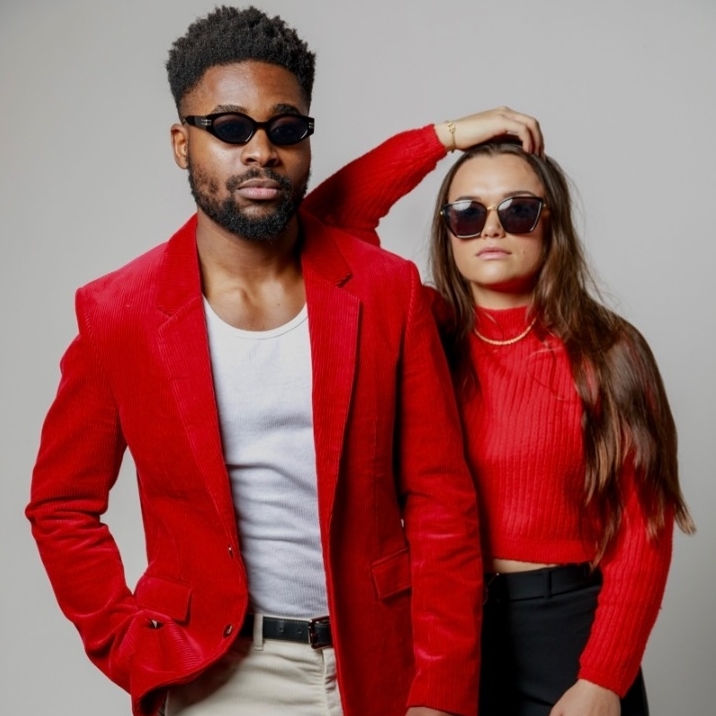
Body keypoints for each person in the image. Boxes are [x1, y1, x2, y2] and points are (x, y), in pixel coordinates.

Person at [24, 7, 551, 716]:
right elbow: (61, 506)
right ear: (182, 144)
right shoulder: (119, 312)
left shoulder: (384, 291)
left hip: (380, 664)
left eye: (286, 129)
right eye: (230, 128)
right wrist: (130, 647)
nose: (261, 152)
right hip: (218, 675)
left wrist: (442, 692)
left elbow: (440, 503)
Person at [307, 114, 695, 716]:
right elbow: (325, 226)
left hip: (567, 637)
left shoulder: (607, 350)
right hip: (440, 631)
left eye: (518, 210)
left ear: (551, 224)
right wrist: (443, 137)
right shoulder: (423, 333)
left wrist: (603, 678)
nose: (491, 227)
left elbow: (643, 531)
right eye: (466, 213)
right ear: (447, 232)